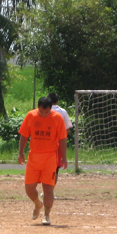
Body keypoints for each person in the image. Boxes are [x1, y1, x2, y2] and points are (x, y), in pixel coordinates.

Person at [18, 96, 68, 226]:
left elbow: (62, 138)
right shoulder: (31, 116)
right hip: (33, 157)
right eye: (41, 111)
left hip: (50, 159)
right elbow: (24, 134)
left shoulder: (57, 118)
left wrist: (64, 157)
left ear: (51, 109)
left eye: (46, 112)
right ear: (38, 108)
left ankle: (47, 215)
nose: (44, 114)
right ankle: (37, 204)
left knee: (48, 189)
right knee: (29, 188)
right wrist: (20, 152)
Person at [47, 92, 73, 186]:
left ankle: (46, 189)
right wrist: (63, 140)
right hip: (58, 142)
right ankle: (51, 189)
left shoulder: (43, 110)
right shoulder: (63, 111)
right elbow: (67, 128)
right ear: (57, 101)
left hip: (45, 141)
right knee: (56, 168)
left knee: (46, 166)